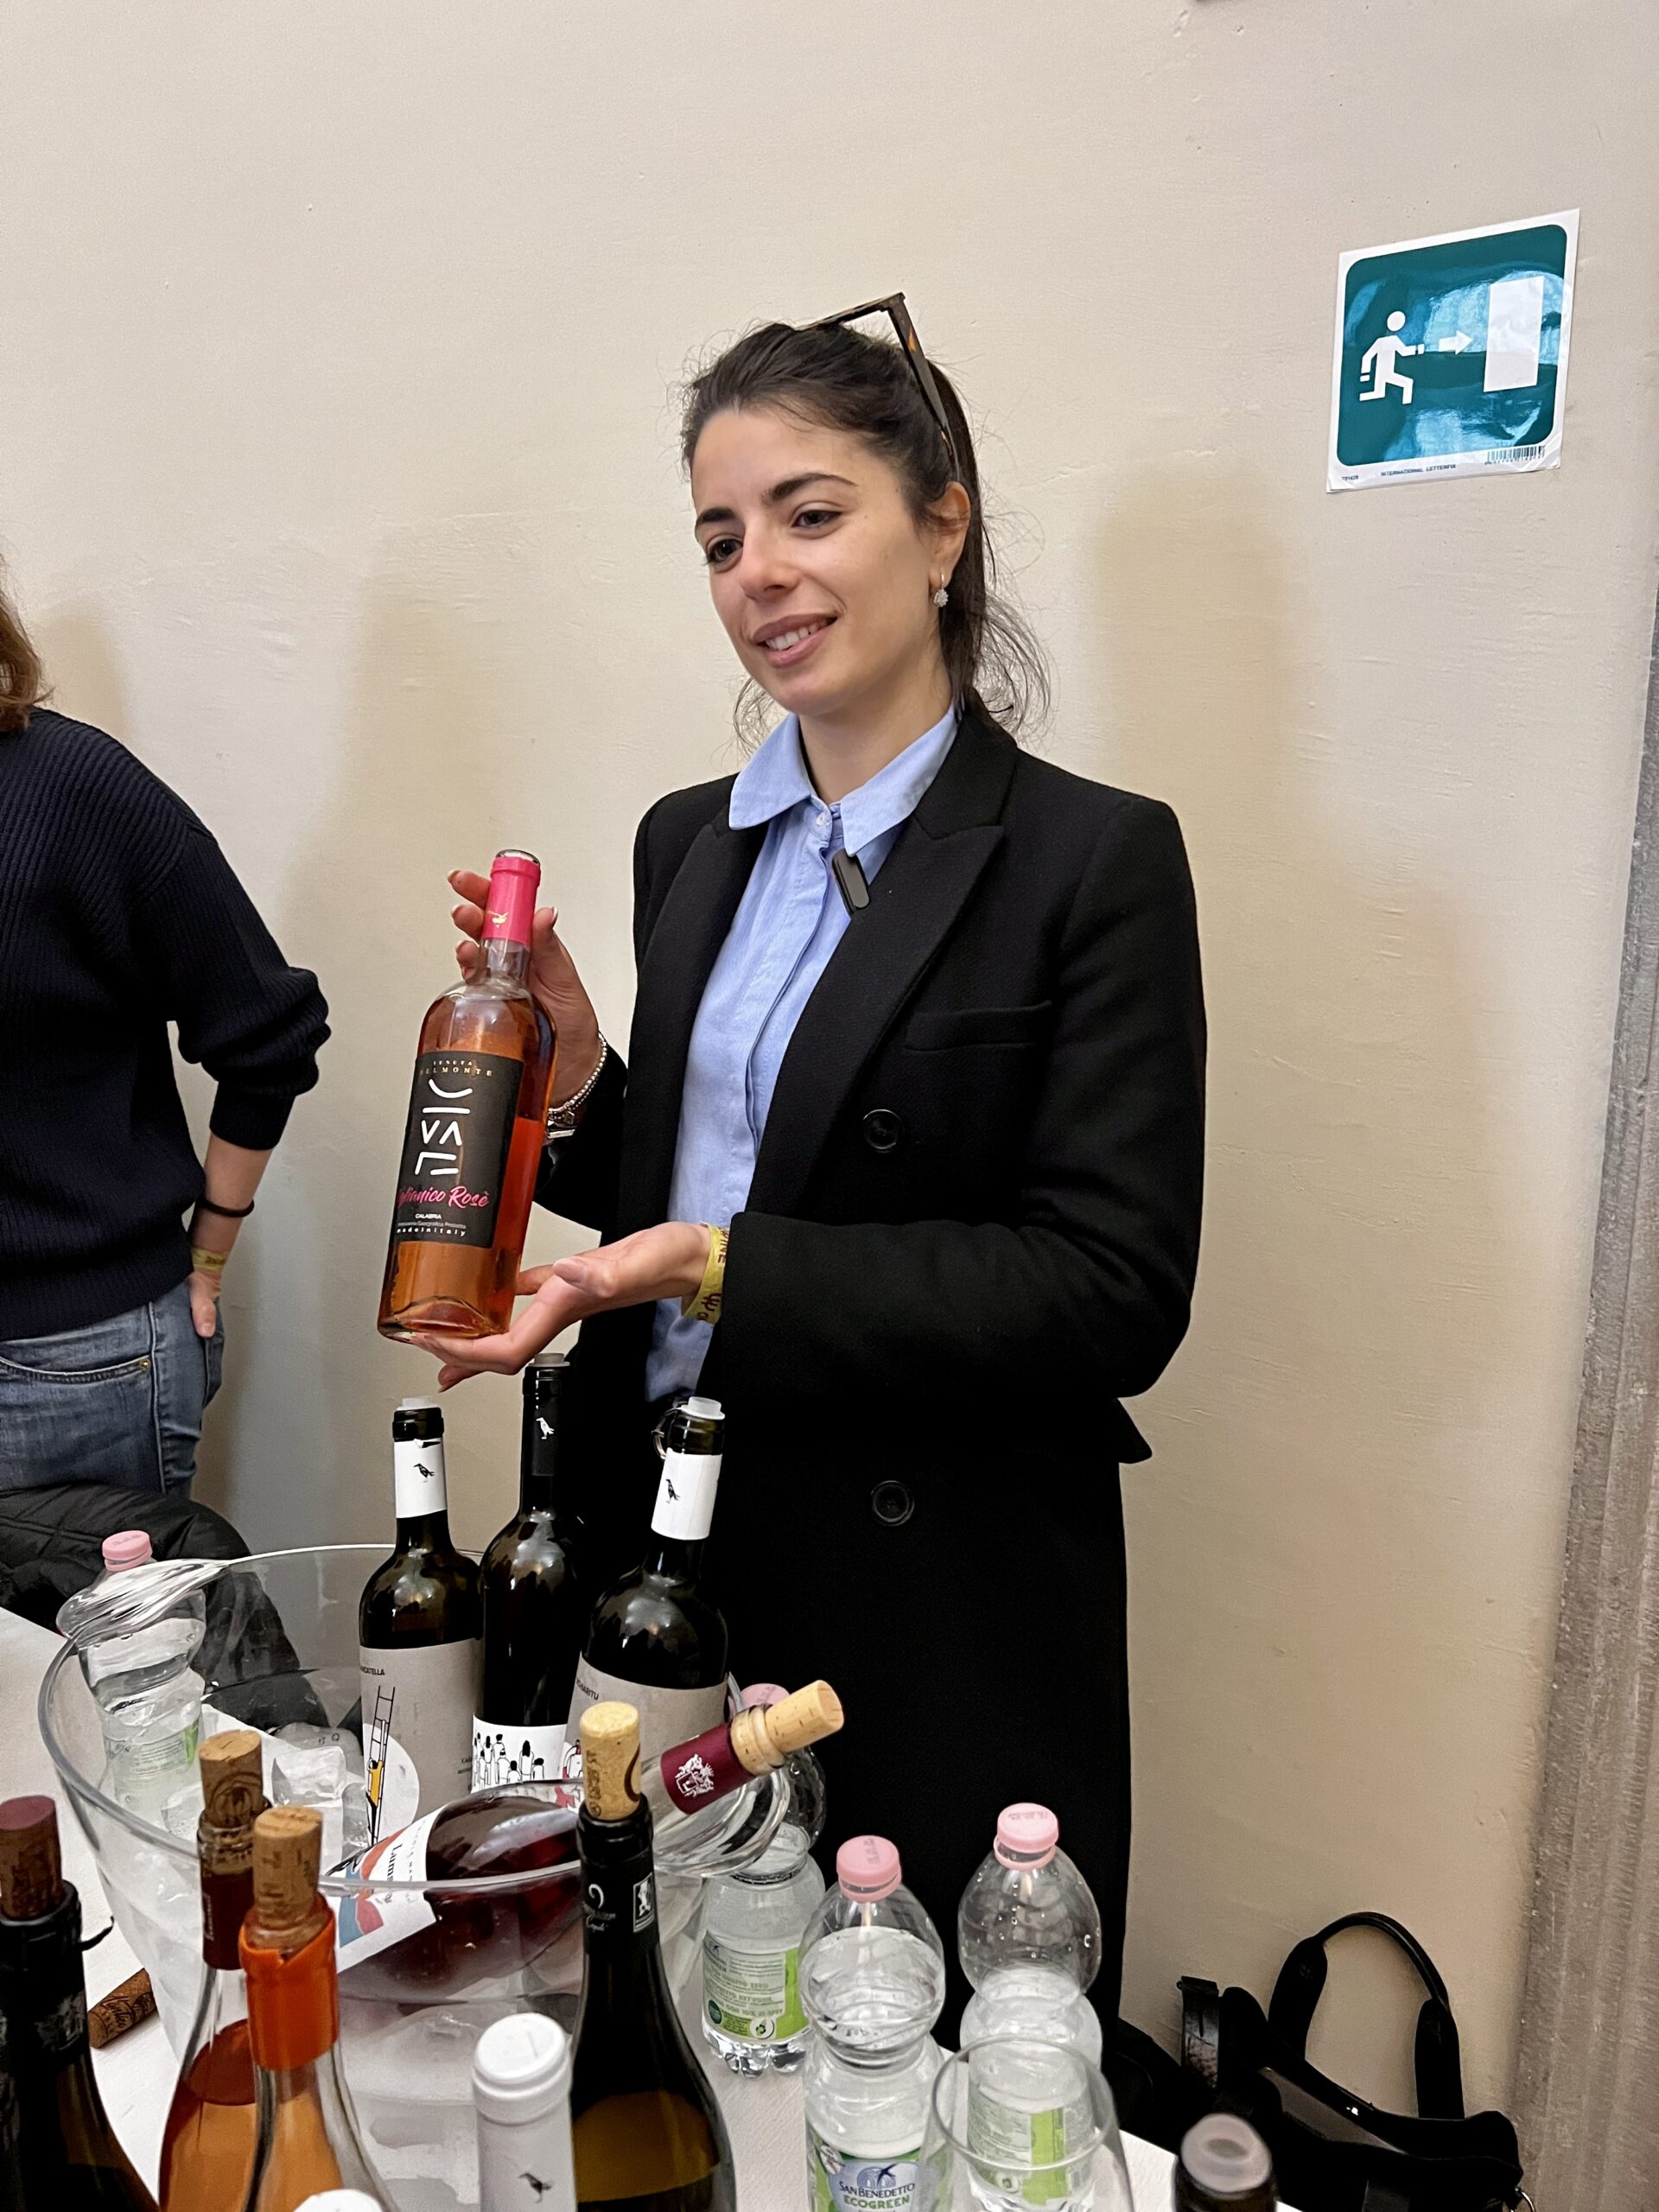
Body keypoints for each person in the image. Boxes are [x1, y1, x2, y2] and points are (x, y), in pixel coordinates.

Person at [421, 301, 1205, 2026]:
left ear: (944, 521)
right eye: (721, 536)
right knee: (661, 2001)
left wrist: (717, 1265)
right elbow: (690, 1172)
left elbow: (1113, 1286)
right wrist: (570, 1077)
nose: (759, 568)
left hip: (928, 1590)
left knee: (889, 2049)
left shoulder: (1094, 860)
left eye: (810, 510)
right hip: (671, 1539)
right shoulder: (689, 842)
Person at [0, 572, 329, 1494]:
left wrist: (213, 1244)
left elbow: (271, 1031)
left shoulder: (75, 790)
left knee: (110, 1646)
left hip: (70, 1371)